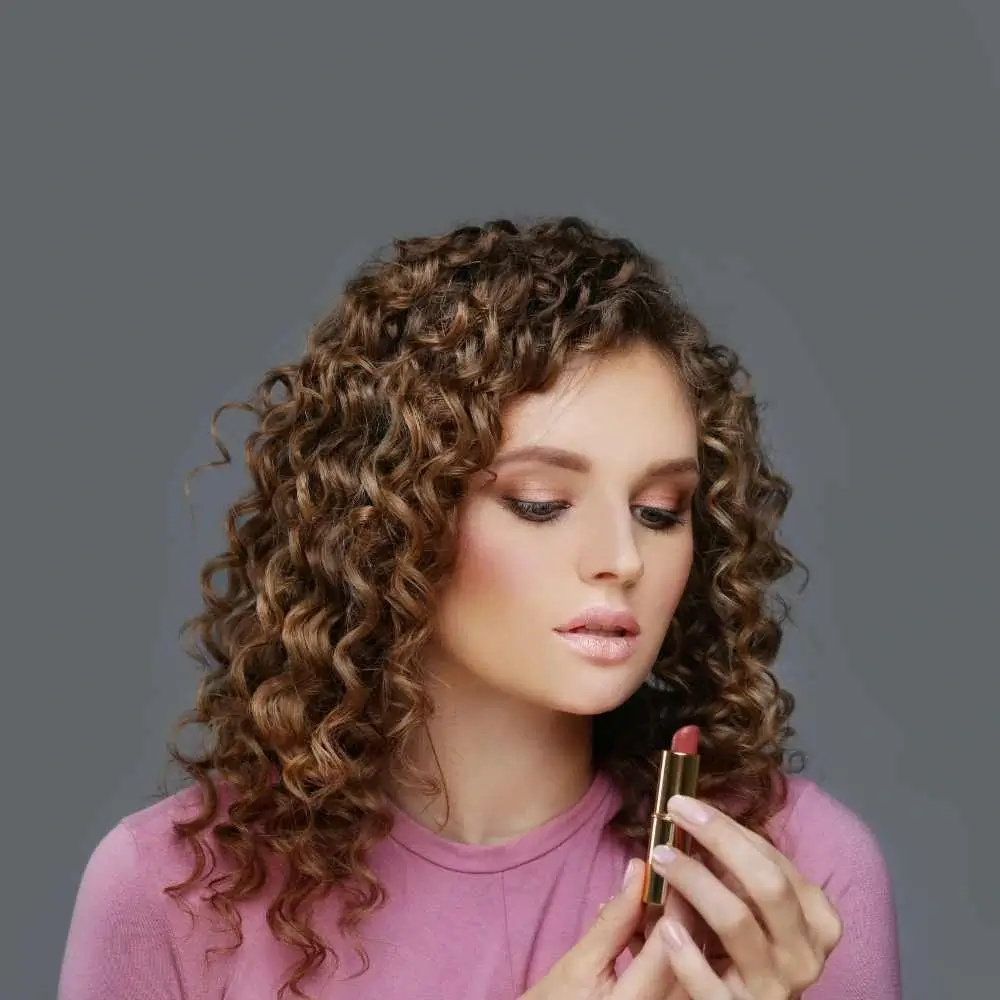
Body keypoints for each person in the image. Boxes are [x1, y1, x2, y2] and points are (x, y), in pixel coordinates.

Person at [58, 217, 901, 1000]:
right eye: (539, 503)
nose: (622, 558)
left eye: (660, 511)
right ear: (390, 520)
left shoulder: (791, 876)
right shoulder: (172, 893)